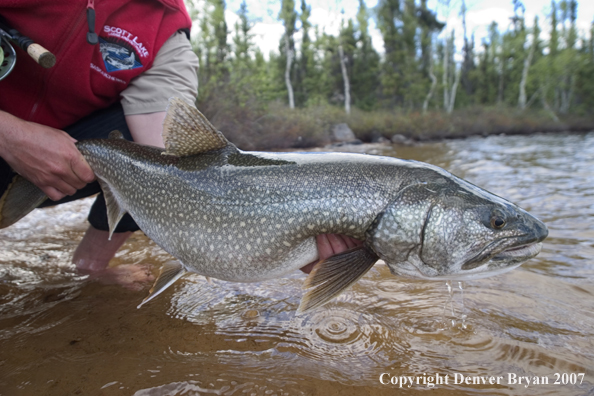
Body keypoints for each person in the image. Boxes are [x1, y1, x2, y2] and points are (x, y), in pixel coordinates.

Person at [0, 0, 359, 288]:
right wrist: (12, 135)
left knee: (152, 162)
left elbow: (172, 166)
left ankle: (88, 267)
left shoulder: (164, 28)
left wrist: (285, 237)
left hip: (69, 162)